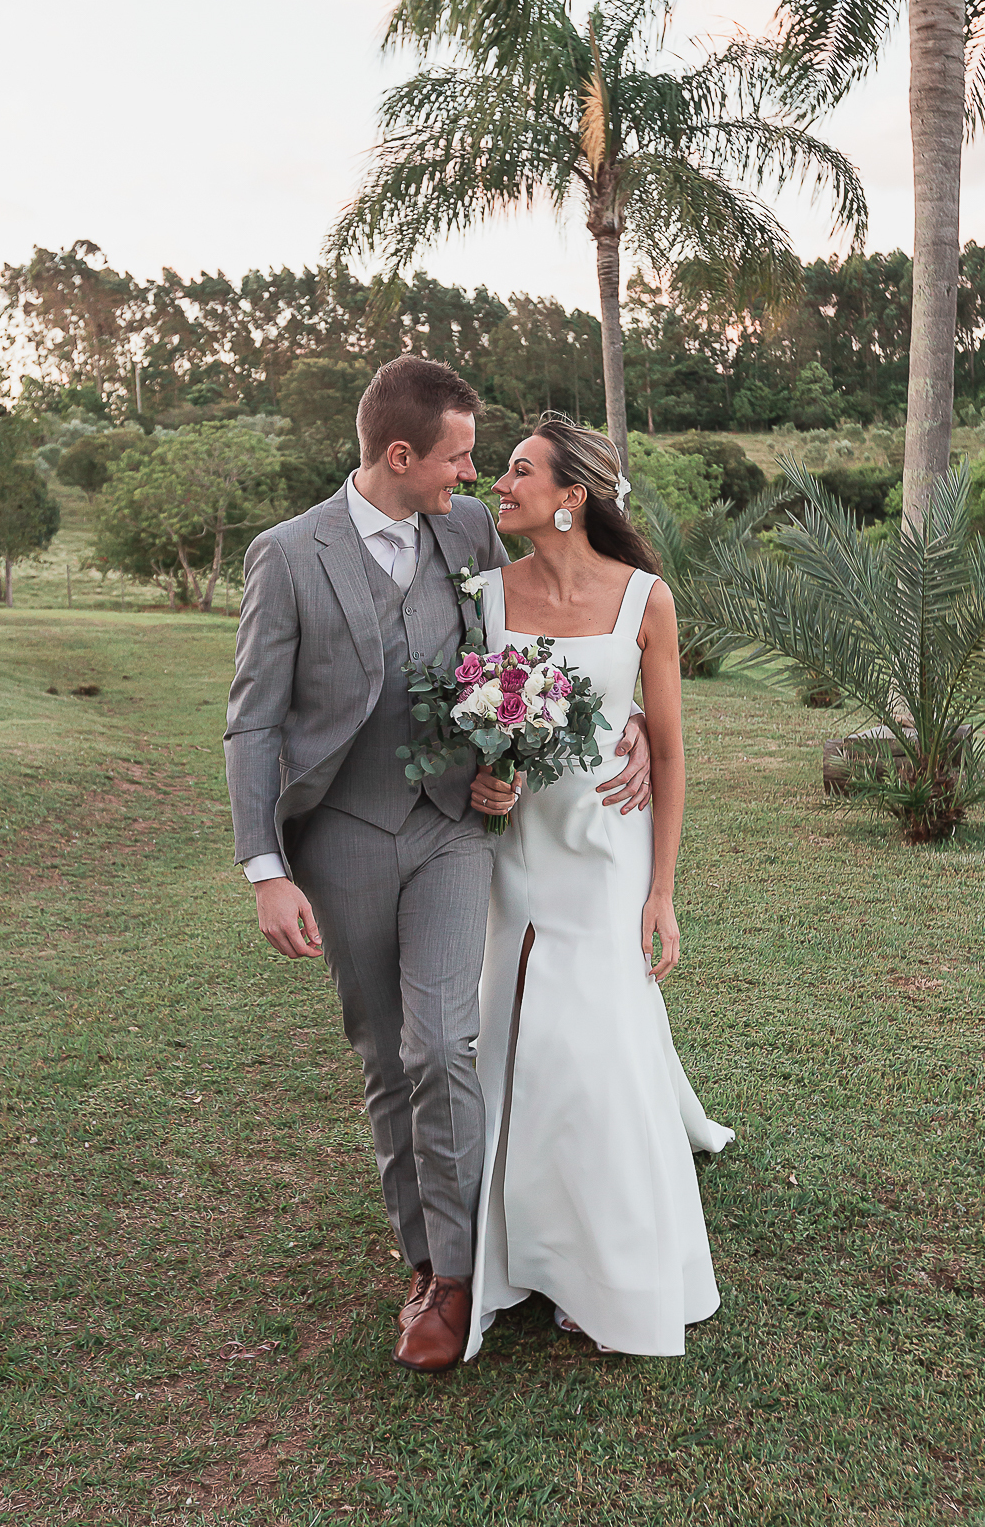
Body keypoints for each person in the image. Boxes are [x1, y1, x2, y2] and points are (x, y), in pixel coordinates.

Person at [223, 360, 652, 1373]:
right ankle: (422, 1257)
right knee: (385, 1056)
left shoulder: (462, 531)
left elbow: (558, 613)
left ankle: (458, 1279)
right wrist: (263, 868)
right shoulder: (286, 556)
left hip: (455, 826)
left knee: (444, 1044)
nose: (478, 476)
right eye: (460, 456)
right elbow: (252, 723)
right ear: (400, 456)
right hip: (341, 835)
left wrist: (616, 711)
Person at [466, 415, 734, 1361]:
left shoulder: (645, 602)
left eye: (520, 470)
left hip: (610, 857)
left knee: (600, 1046)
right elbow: (469, 717)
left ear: (572, 496)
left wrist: (661, 892)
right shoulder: (485, 594)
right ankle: (520, 1256)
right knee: (519, 1039)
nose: (501, 483)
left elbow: (664, 746)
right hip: (518, 854)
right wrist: (483, 777)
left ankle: (607, 1270)